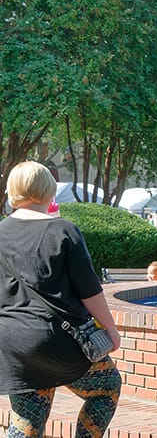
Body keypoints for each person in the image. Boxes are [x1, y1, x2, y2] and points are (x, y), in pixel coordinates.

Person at [0, 161, 123, 437]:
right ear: (49, 191)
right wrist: (111, 332)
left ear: (12, 191)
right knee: (107, 387)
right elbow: (89, 291)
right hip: (61, 342)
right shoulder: (64, 231)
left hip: (14, 345)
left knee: (28, 422)